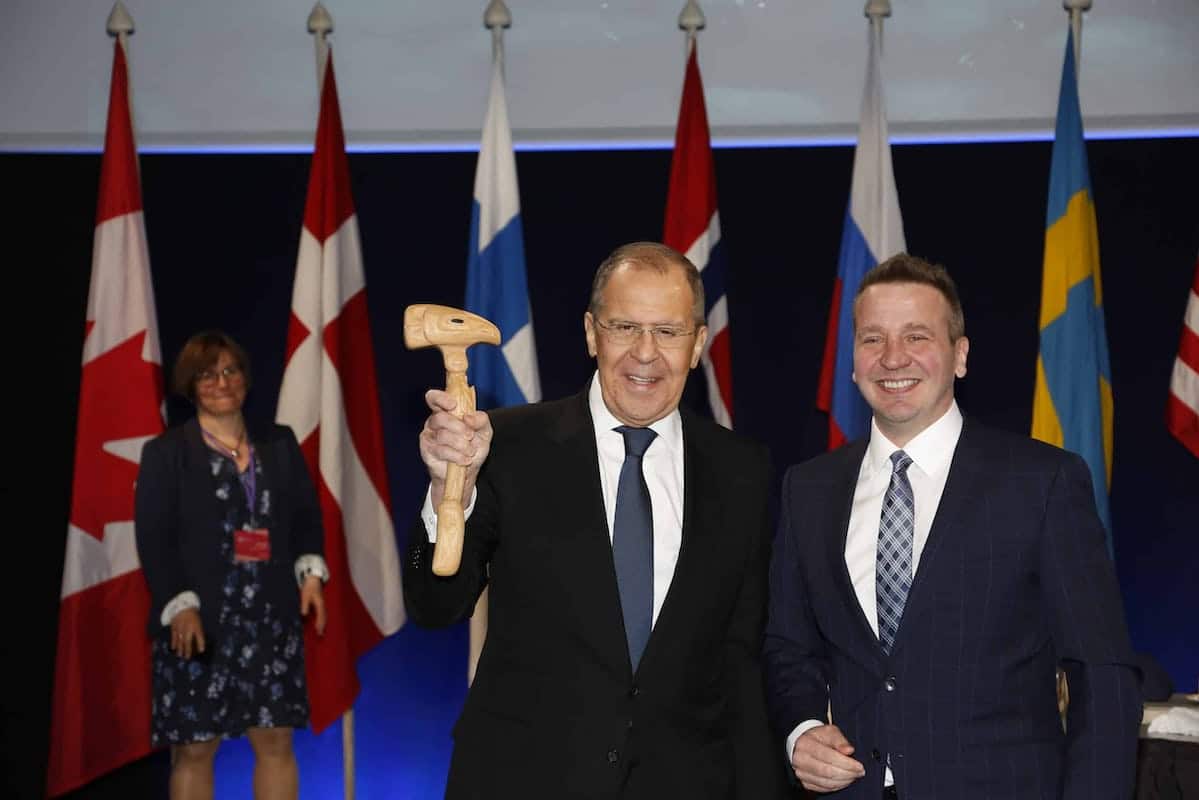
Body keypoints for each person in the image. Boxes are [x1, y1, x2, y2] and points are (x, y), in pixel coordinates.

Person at [404, 242, 786, 799]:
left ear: (699, 343)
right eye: (625, 326)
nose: (645, 353)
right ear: (590, 333)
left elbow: (741, 660)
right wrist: (447, 490)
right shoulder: (504, 445)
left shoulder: (742, 470)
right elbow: (436, 606)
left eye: (668, 331)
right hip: (521, 780)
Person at [763, 253, 1142, 798]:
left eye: (917, 336)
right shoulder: (808, 490)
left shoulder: (1042, 483)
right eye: (873, 339)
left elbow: (1102, 674)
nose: (893, 358)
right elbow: (788, 647)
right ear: (852, 361)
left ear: (959, 355)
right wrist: (800, 731)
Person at [134, 330, 329, 800]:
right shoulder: (166, 453)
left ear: (244, 377)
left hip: (270, 617)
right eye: (207, 375)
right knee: (196, 749)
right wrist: (178, 605)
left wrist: (310, 577)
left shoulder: (279, 443)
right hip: (198, 620)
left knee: (276, 740)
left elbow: (305, 517)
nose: (221, 382)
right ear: (189, 385)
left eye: (230, 371)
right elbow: (154, 539)